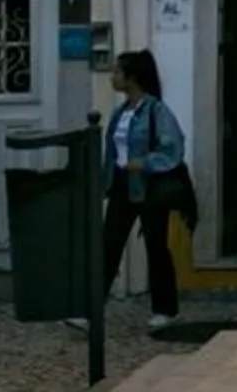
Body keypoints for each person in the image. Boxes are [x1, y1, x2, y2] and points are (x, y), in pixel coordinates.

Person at [94, 50, 192, 335]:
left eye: (117, 72)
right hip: (122, 187)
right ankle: (91, 309)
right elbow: (111, 154)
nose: (112, 77)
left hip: (149, 187)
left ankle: (165, 308)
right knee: (109, 245)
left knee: (156, 246)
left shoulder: (156, 111)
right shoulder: (119, 113)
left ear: (132, 77)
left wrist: (146, 163)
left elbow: (173, 147)